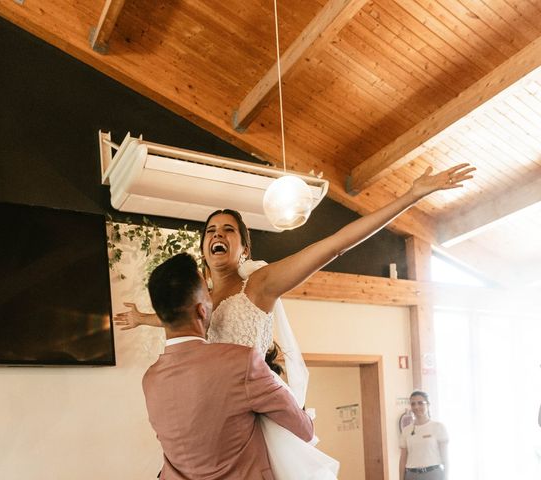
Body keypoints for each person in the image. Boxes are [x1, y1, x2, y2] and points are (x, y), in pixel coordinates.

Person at [117, 164, 474, 478]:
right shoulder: (198, 304)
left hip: (258, 420)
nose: (217, 235)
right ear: (203, 249)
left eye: (228, 230)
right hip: (217, 424)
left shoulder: (259, 285)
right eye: (211, 231)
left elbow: (335, 245)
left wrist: (410, 196)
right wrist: (141, 318)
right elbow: (176, 324)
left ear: (244, 249)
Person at [143, 252, 314, 479]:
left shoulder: (150, 380)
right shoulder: (241, 362)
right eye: (208, 293)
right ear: (201, 311)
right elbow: (304, 430)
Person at [399, 391, 449, 480]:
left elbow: (445, 459)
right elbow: (402, 460)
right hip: (411, 475)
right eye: (413, 404)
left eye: (420, 403)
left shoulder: (438, 427)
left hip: (433, 475)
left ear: (428, 405)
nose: (416, 407)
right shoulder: (406, 430)